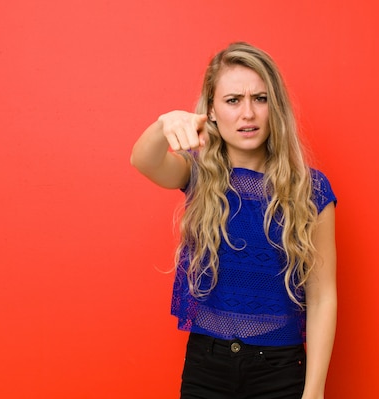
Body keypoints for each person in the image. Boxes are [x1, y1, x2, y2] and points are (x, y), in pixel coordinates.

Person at [130, 42, 337, 399]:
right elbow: (144, 161)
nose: (248, 114)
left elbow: (322, 297)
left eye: (260, 98)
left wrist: (314, 391)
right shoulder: (198, 174)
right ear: (210, 111)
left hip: (280, 371)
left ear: (275, 107)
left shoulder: (311, 189)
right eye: (232, 100)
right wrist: (164, 123)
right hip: (206, 367)